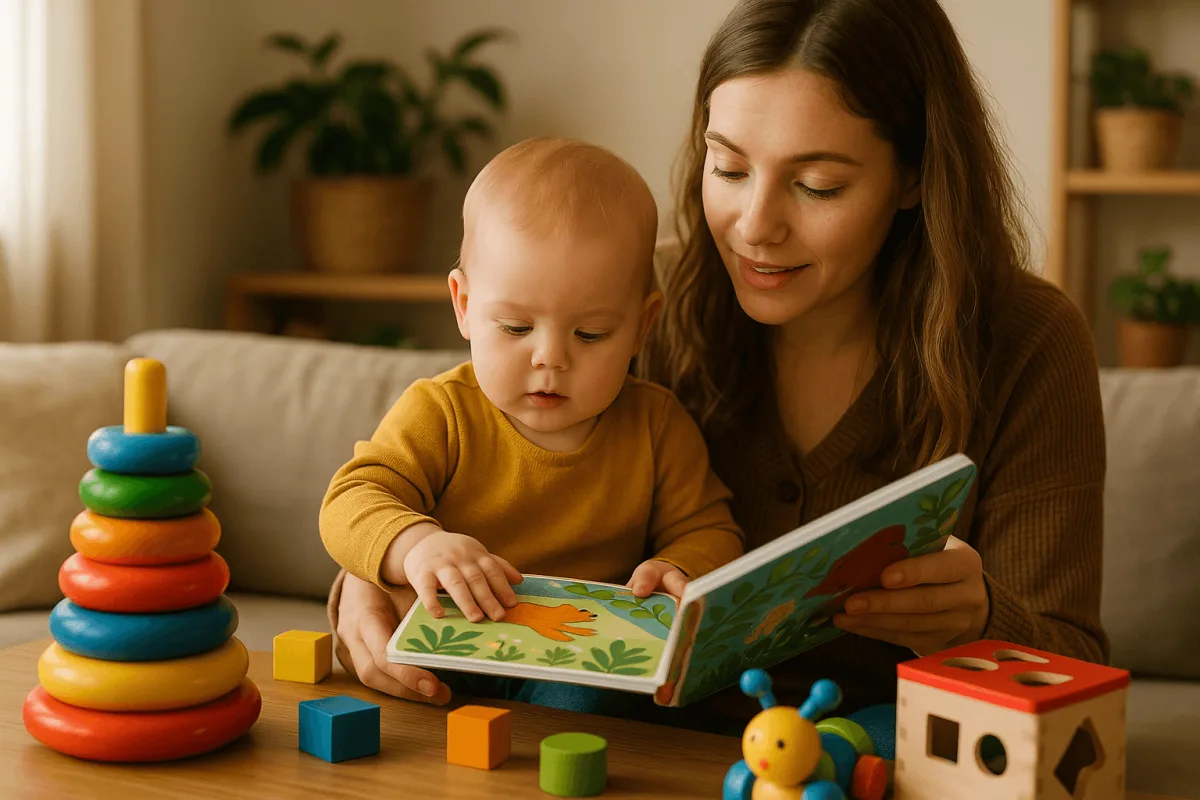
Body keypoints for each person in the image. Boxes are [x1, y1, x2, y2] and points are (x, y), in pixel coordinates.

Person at [325, 0, 1109, 730]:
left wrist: (979, 619)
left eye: (817, 185)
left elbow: (1074, 666)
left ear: (913, 175)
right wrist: (373, 577)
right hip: (641, 747)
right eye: (729, 168)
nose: (756, 227)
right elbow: (458, 460)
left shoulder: (1025, 342)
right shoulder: (619, 305)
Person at [318, 137, 744, 707]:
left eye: (590, 334)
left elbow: (712, 531)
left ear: (643, 326)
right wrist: (416, 544)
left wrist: (680, 567)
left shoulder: (657, 425)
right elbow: (351, 498)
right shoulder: (442, 411)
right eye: (516, 328)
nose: (551, 357)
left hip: (580, 660)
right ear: (463, 305)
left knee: (596, 707)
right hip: (453, 643)